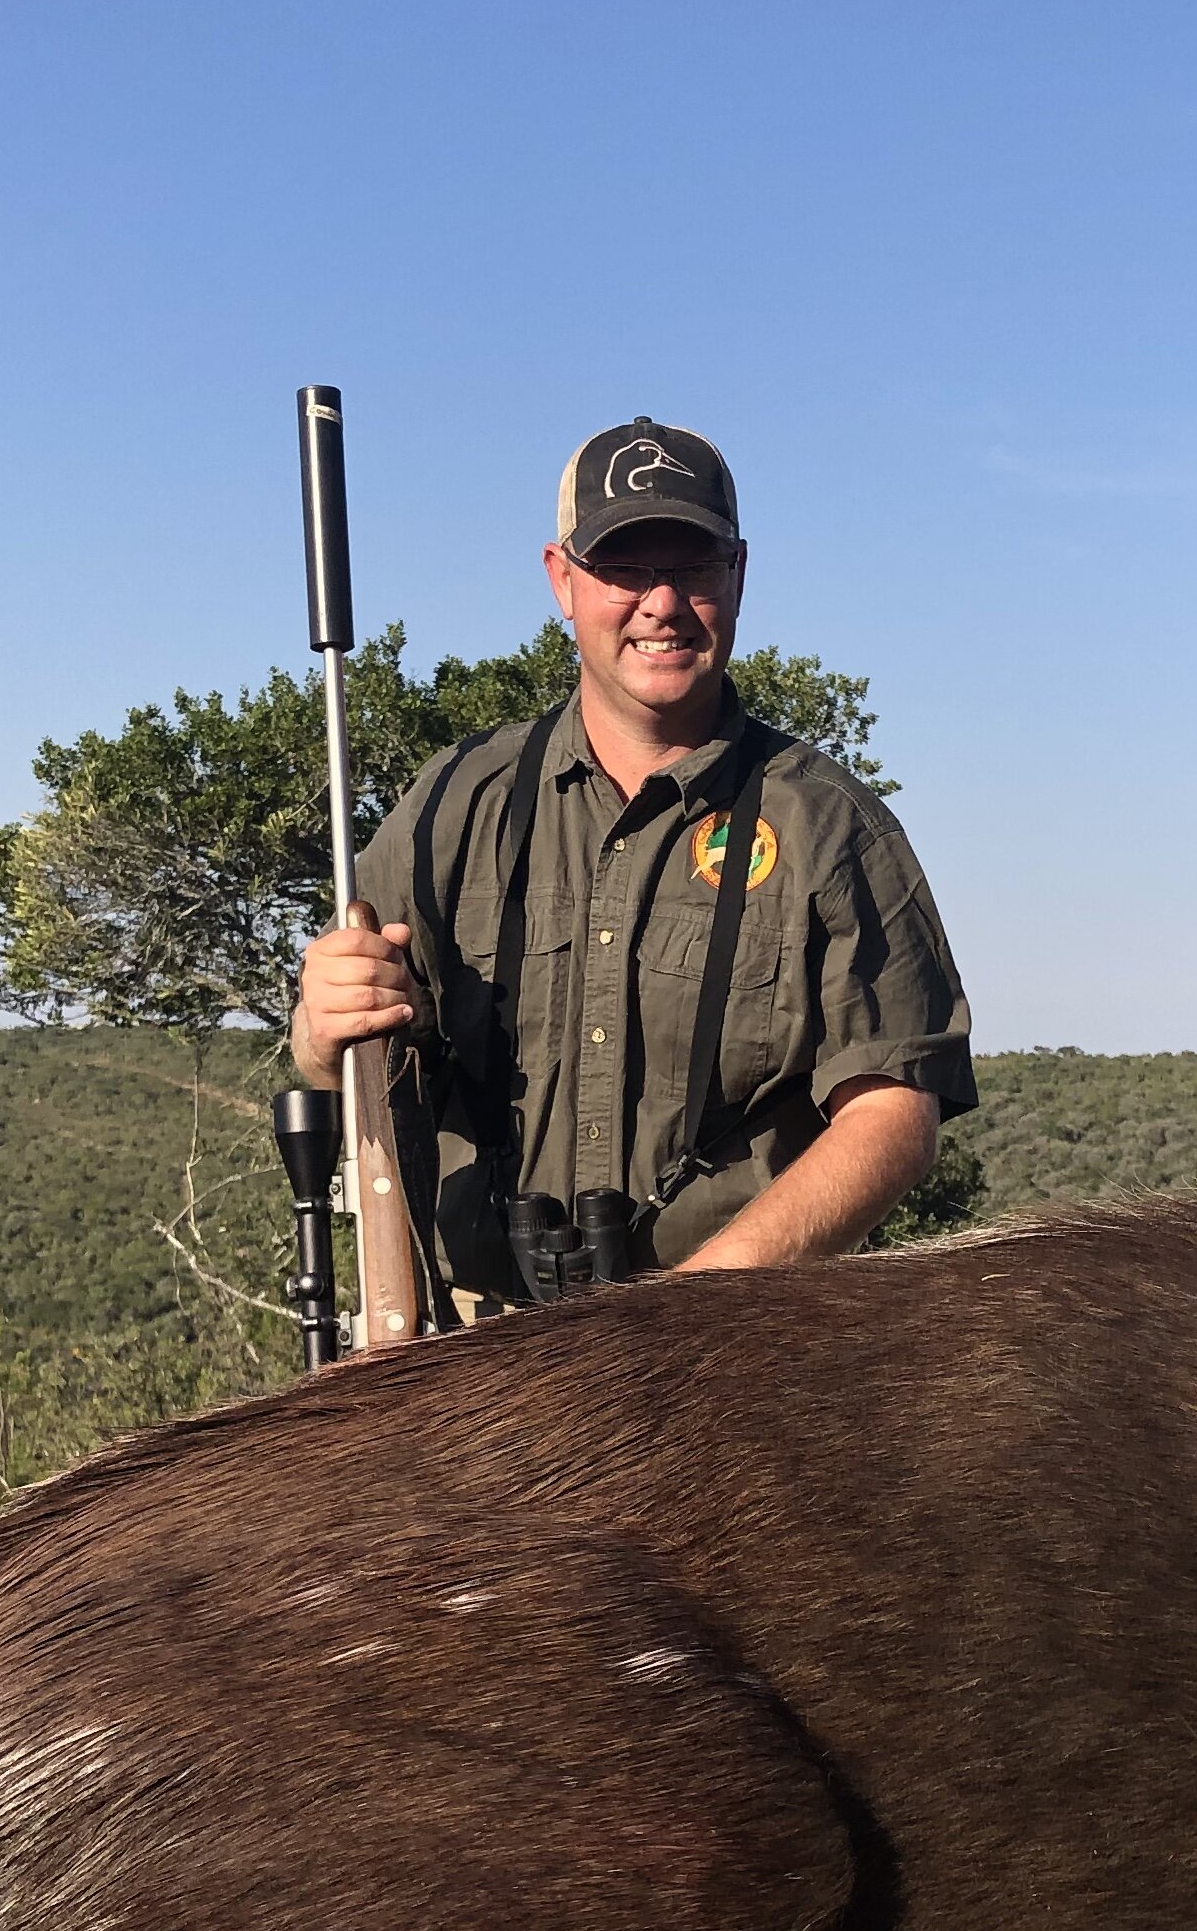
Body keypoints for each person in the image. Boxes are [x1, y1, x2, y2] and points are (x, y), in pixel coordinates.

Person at [288, 416, 971, 1303]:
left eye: (691, 566)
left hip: (730, 1348)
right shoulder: (454, 802)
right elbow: (346, 1053)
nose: (661, 603)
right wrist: (321, 1027)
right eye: (623, 568)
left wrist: (691, 1308)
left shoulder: (831, 825)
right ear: (561, 581)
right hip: (477, 1347)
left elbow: (893, 1114)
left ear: (738, 574)